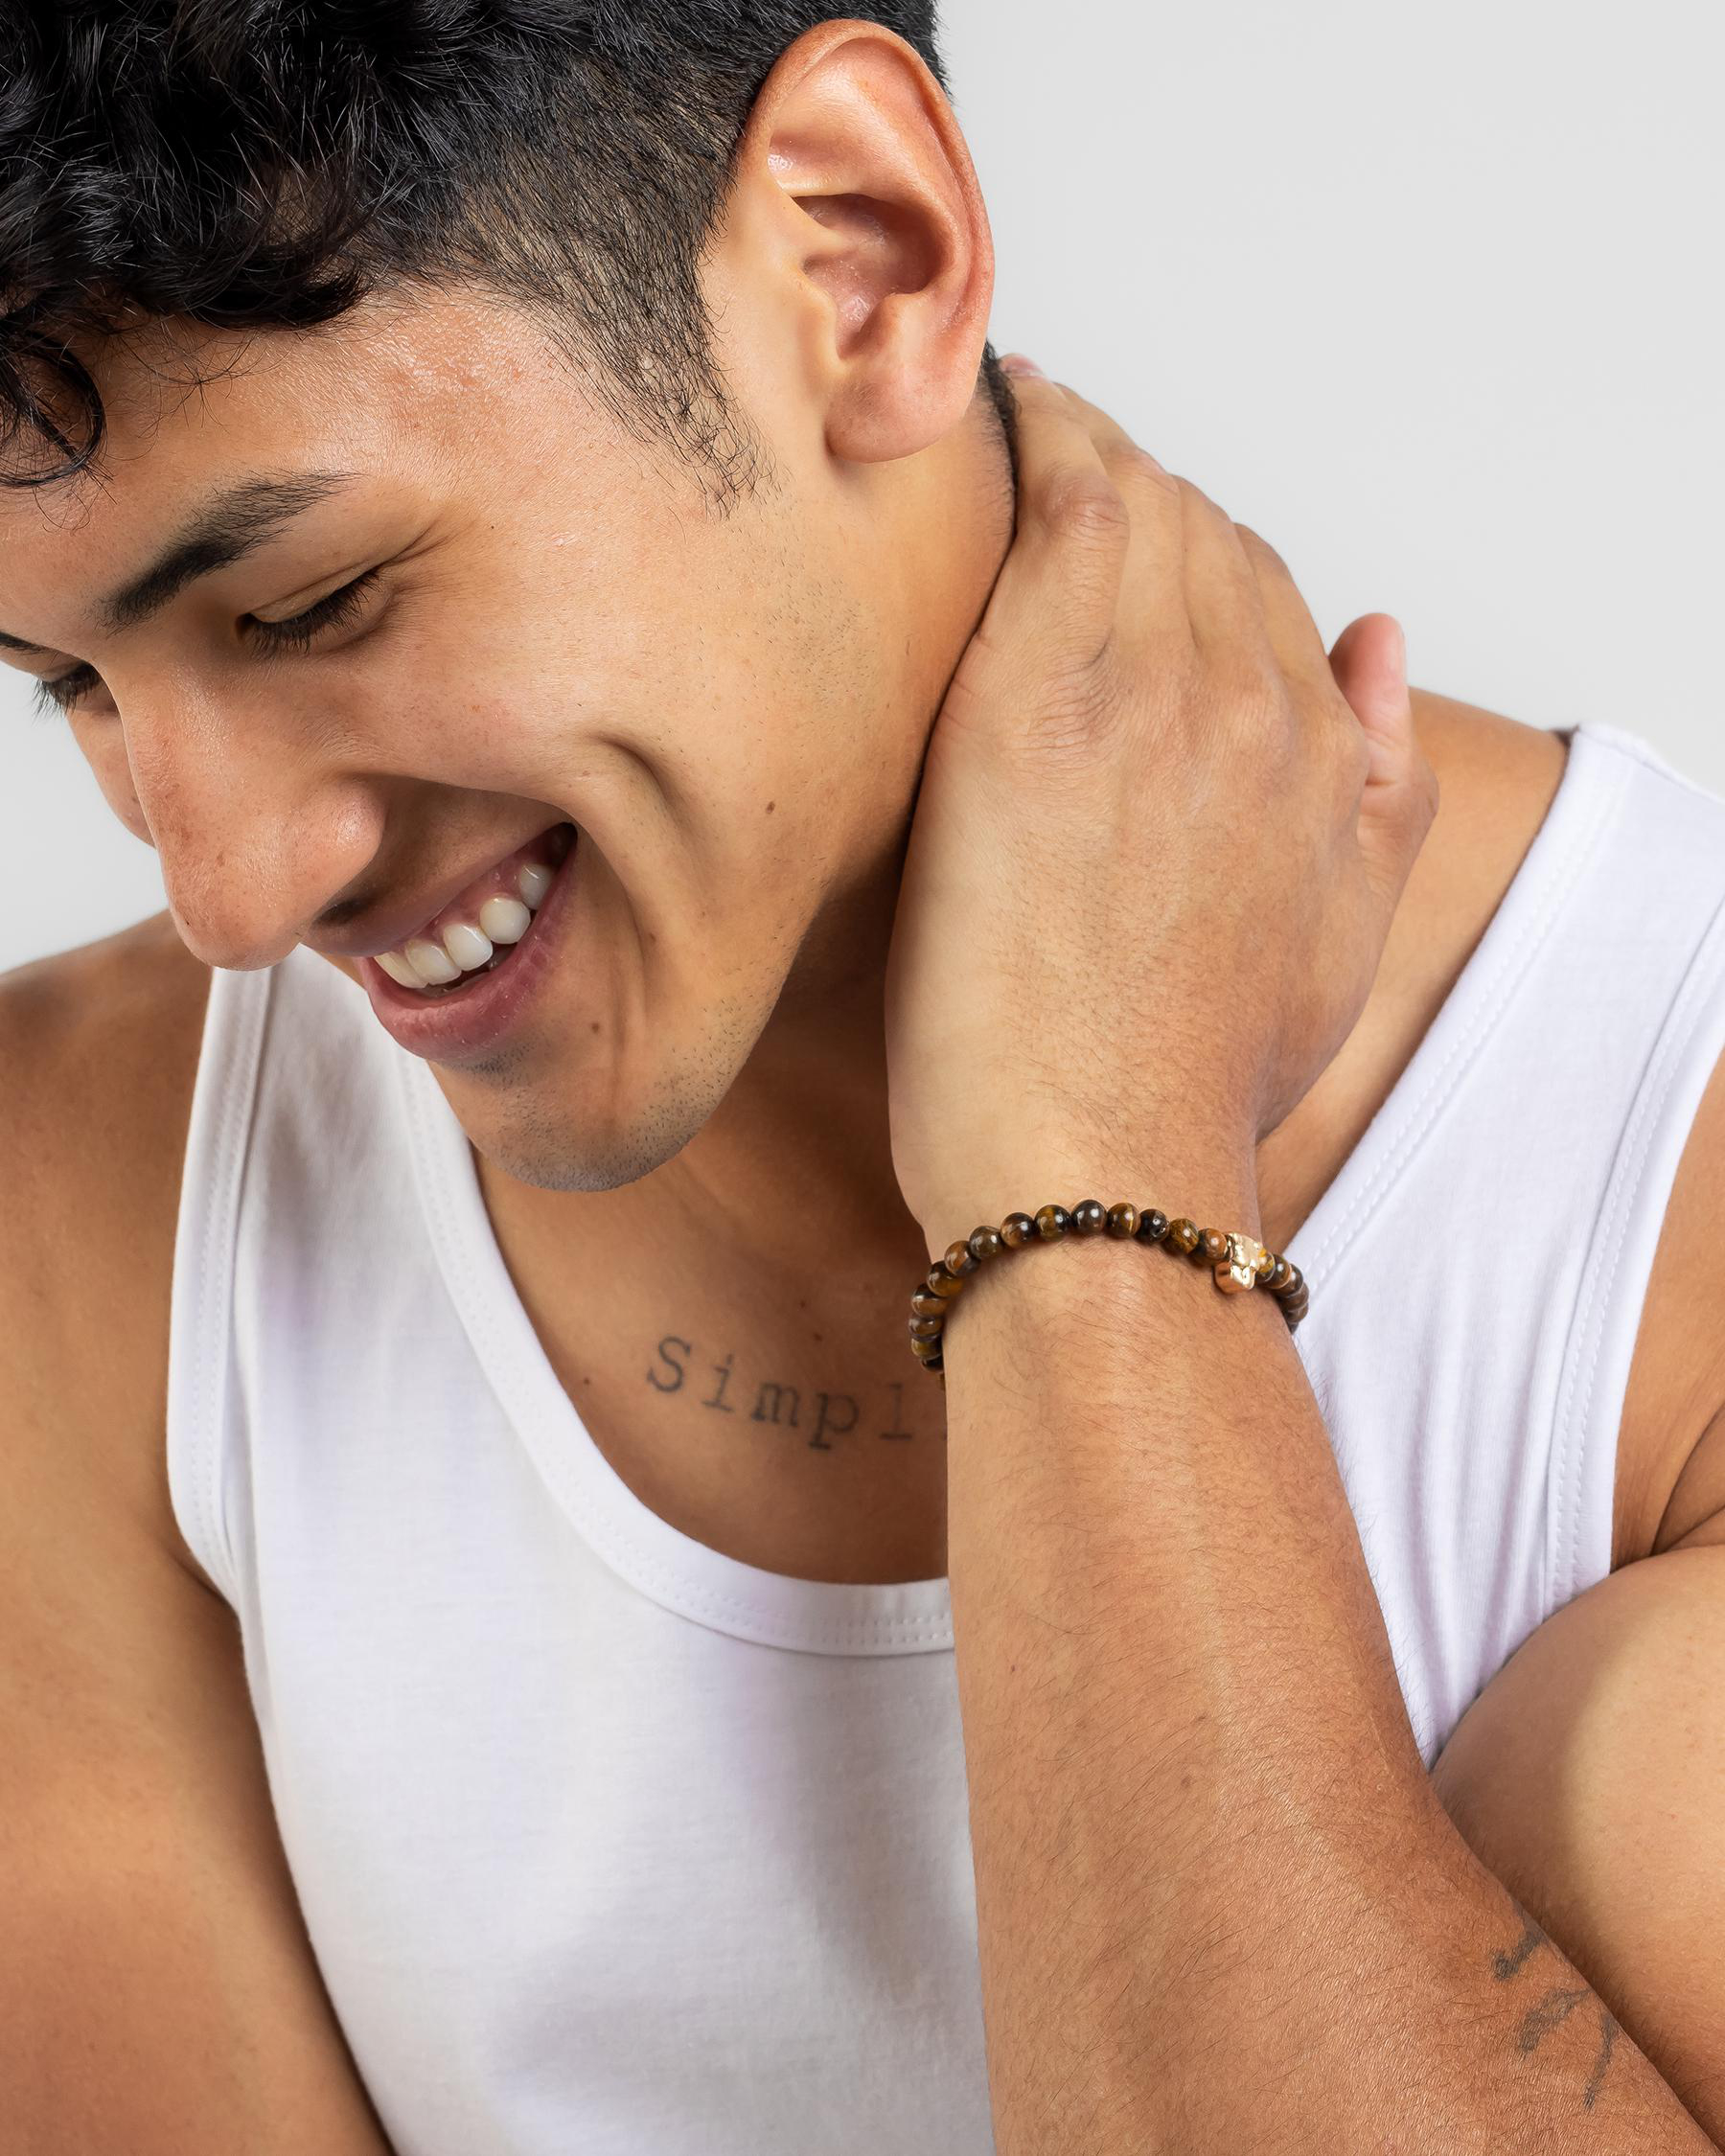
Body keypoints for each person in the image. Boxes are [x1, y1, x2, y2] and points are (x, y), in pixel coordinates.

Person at [2, 5, 1721, 2151]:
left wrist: (1086, 1182)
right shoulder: (79, 1217)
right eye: (72, 683)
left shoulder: (1666, 1217)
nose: (228, 893)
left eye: (314, 600)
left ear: (863, 259)